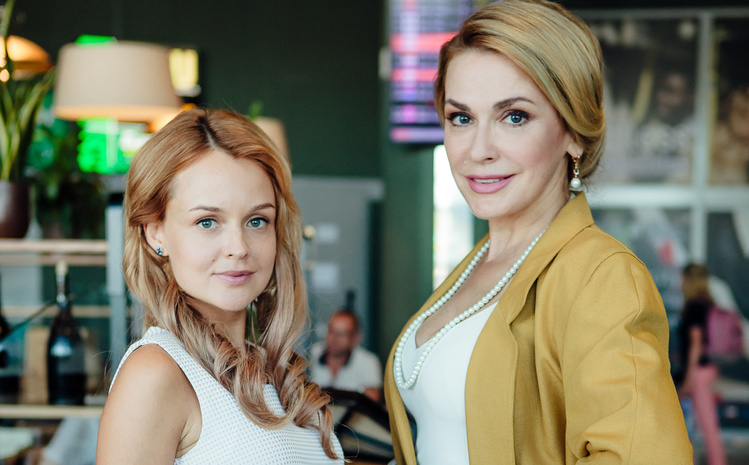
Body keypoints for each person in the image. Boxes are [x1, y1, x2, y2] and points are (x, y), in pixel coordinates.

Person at [383, 1, 693, 463]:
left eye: (514, 116)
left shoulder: (600, 277)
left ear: (574, 133)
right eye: (461, 118)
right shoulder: (478, 265)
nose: (478, 150)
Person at [96, 108, 342, 464]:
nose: (238, 248)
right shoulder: (157, 374)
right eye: (208, 222)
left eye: (257, 221)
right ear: (155, 233)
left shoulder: (273, 373)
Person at [678, 263, 727, 465]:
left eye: (683, 278)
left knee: (704, 425)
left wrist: (688, 378)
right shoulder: (708, 304)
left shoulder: (694, 307)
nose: (680, 282)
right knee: (700, 424)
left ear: (690, 280)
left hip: (698, 372)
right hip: (707, 369)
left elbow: (696, 343)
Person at [309, 309, 383, 402]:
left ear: (355, 338)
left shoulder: (368, 361)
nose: (335, 338)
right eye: (331, 331)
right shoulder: (311, 354)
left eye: (342, 334)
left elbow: (372, 400)